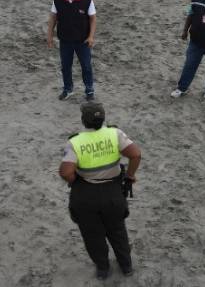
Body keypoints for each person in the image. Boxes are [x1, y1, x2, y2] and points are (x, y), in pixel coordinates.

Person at [59, 102, 142, 279]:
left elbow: (66, 172)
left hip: (86, 195)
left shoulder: (75, 141)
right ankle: (126, 266)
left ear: (83, 120)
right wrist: (129, 175)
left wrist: (76, 181)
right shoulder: (115, 133)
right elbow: (135, 154)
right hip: (113, 192)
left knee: (92, 234)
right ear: (103, 118)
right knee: (118, 230)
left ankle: (103, 269)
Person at [47, 0, 97, 101]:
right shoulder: (58, 0)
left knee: (86, 66)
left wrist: (91, 37)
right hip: (65, 41)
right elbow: (53, 18)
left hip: (83, 41)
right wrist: (50, 36)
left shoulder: (87, 0)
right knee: (65, 66)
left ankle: (89, 90)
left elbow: (93, 19)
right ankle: (68, 89)